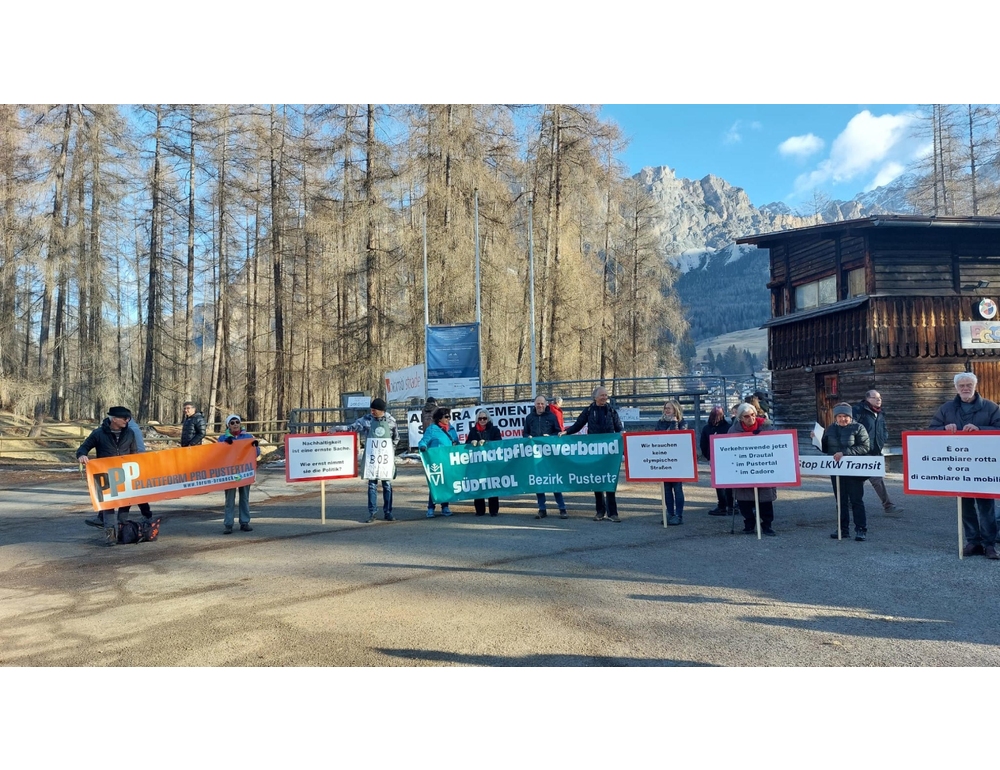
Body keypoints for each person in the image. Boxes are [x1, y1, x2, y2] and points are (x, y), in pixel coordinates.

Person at [929, 372, 1000, 559]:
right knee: (965, 506)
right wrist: (943, 429)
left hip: (983, 467)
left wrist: (981, 430)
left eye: (969, 384)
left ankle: (989, 544)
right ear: (956, 388)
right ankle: (972, 542)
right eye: (961, 386)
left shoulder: (991, 407)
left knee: (986, 507)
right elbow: (930, 431)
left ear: (975, 386)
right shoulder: (946, 409)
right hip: (958, 467)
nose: (965, 388)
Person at [76, 406, 152, 546]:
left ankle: (123, 529)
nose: (127, 420)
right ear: (114, 419)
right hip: (105, 474)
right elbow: (83, 447)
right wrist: (82, 455)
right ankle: (110, 534)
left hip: (125, 473)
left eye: (128, 418)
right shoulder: (98, 433)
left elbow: (134, 452)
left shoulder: (129, 433)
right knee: (108, 505)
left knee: (125, 503)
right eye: (124, 418)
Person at [561, 386, 623, 522]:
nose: (605, 397)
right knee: (597, 481)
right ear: (595, 397)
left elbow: (619, 429)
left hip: (609, 453)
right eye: (602, 395)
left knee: (609, 480)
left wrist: (623, 438)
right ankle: (600, 511)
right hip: (594, 452)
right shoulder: (589, 411)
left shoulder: (612, 411)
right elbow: (578, 424)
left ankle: (613, 513)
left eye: (606, 395)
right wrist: (566, 432)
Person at [821, 402, 871, 541]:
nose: (843, 419)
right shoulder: (830, 429)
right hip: (836, 471)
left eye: (846, 416)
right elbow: (825, 448)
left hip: (853, 470)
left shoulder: (858, 428)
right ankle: (842, 529)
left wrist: (844, 453)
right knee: (840, 501)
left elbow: (865, 447)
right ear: (835, 417)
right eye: (840, 416)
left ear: (850, 416)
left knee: (856, 500)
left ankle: (861, 529)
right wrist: (815, 439)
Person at [727, 403, 777, 536]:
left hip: (763, 469)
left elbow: (775, 445)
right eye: (747, 416)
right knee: (744, 500)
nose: (751, 418)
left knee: (765, 500)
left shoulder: (766, 427)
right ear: (740, 418)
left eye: (753, 415)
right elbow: (727, 449)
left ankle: (766, 525)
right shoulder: (733, 430)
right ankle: (749, 524)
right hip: (743, 470)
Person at [350, 397, 400, 523]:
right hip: (372, 459)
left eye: (374, 410)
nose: (372, 412)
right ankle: (372, 513)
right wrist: (335, 430)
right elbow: (352, 427)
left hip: (385, 460)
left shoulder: (391, 421)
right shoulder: (366, 420)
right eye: (371, 410)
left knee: (387, 485)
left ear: (381, 410)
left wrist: (390, 450)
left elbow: (396, 438)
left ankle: (388, 512)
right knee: (372, 485)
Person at [852, 390, 902, 514]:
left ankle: (888, 506)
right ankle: (887, 505)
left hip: (875, 452)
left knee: (876, 479)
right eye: (875, 398)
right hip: (861, 452)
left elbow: (883, 429)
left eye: (880, 397)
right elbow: (851, 429)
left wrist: (883, 438)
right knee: (861, 480)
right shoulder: (858, 411)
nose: (878, 400)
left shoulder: (880, 413)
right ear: (867, 399)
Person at [523, 394, 568, 519]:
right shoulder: (529, 418)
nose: (540, 406)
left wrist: (551, 437)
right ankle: (542, 509)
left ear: (546, 404)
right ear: (535, 404)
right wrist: (528, 438)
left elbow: (558, 432)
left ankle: (562, 508)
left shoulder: (552, 417)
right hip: (536, 455)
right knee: (539, 482)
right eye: (538, 403)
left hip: (550, 456)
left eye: (542, 403)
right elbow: (525, 433)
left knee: (554, 480)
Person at [218, 414, 260, 534]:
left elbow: (256, 454)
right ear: (228, 425)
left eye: (237, 422)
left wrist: (255, 447)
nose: (235, 424)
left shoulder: (248, 437)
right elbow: (217, 455)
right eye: (232, 423)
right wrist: (225, 445)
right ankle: (228, 524)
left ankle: (245, 522)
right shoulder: (222, 438)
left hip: (245, 472)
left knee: (244, 498)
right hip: (229, 473)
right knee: (229, 499)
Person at [418, 406, 458, 518]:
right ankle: (431, 508)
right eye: (446, 417)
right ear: (439, 418)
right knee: (436, 484)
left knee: (446, 484)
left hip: (448, 461)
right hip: (436, 462)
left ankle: (445, 506)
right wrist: (423, 447)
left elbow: (456, 442)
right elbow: (423, 441)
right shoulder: (432, 429)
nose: (448, 419)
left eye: (449, 417)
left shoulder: (451, 429)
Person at [465, 409, 503, 516]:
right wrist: (470, 442)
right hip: (477, 463)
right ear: (477, 419)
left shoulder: (495, 430)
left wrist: (487, 443)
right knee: (478, 484)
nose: (482, 420)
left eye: (484, 418)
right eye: (480, 418)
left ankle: (494, 510)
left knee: (492, 484)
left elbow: (499, 443)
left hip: (491, 462)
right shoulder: (473, 431)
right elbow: (466, 444)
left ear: (488, 419)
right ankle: (480, 510)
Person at [656, 399, 687, 525]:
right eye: (665, 408)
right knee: (667, 489)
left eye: (669, 408)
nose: (666, 410)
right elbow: (657, 438)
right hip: (663, 459)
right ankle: (670, 513)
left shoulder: (682, 423)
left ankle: (679, 515)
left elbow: (677, 438)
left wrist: (674, 424)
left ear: (675, 409)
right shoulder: (660, 422)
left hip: (677, 460)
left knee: (677, 488)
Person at [700, 405, 733, 516]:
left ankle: (723, 506)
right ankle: (730, 506)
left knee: (721, 483)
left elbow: (703, 446)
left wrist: (709, 457)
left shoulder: (707, 428)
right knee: (728, 483)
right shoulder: (729, 427)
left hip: (718, 458)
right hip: (725, 458)